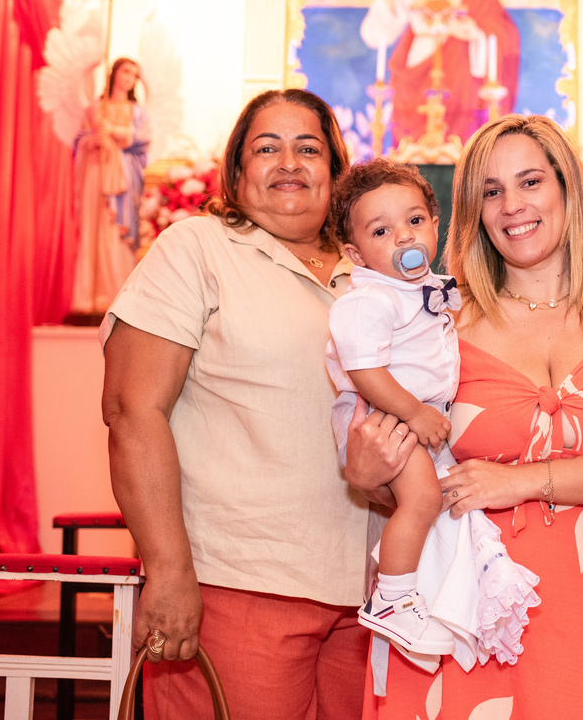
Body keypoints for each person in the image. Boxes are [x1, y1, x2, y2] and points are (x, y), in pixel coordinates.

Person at [346, 114, 583, 718]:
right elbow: (387, 461)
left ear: (567, 189)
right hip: (455, 617)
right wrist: (365, 470)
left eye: (529, 182)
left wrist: (520, 480)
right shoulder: (437, 323)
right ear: (471, 210)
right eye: (490, 191)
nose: (511, 205)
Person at [99, 89, 418, 720]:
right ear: (237, 170)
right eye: (266, 148)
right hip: (237, 585)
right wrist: (167, 570)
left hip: (370, 596)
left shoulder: (373, 273)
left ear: (336, 168)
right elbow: (132, 411)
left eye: (308, 148)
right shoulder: (198, 248)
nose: (289, 162)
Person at [324, 160, 458, 655]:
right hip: (384, 420)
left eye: (415, 220)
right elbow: (365, 372)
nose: (404, 237)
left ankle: (416, 592)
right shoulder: (369, 301)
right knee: (422, 500)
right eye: (382, 230)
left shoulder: (425, 289)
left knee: (435, 503)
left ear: (436, 223)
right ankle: (392, 598)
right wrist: (416, 413)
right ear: (355, 253)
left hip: (410, 418)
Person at [360, 0, 519, 145]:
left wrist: (474, 32)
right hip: (416, 70)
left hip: (461, 75)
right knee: (410, 145)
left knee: (462, 143)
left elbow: (499, 29)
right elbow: (376, 33)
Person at [71, 57, 150, 314]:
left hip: (124, 179)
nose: (129, 77)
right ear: (115, 73)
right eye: (126, 71)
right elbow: (80, 140)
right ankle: (90, 296)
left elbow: (142, 140)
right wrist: (93, 141)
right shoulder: (96, 107)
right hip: (97, 172)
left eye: (134, 75)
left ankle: (116, 292)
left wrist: (115, 131)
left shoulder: (136, 111)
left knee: (117, 231)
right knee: (94, 229)